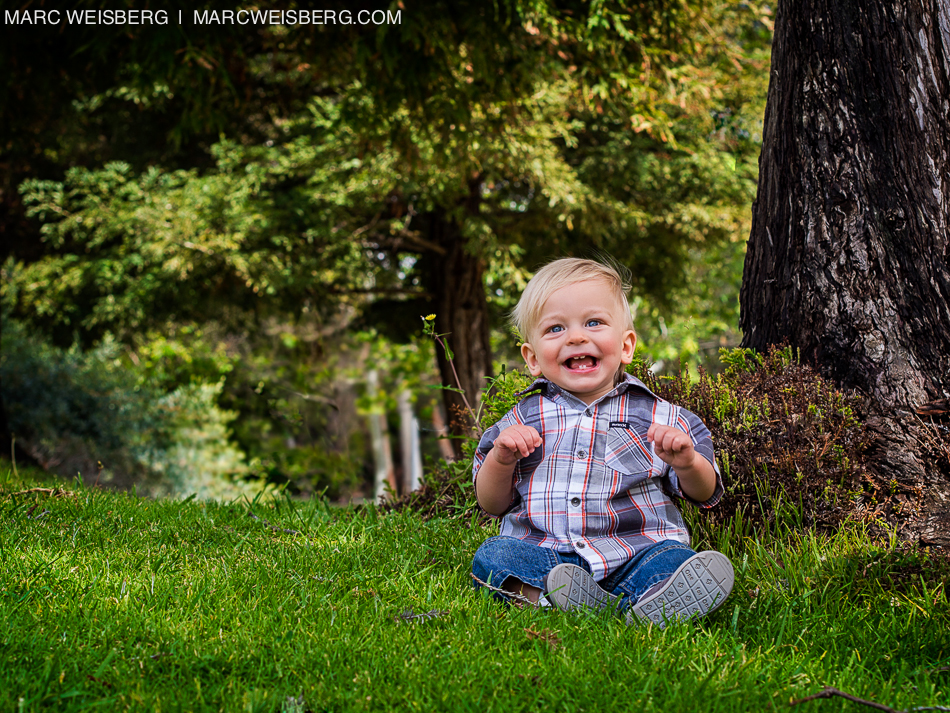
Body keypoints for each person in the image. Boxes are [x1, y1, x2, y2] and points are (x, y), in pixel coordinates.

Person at [471, 257, 734, 627]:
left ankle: (643, 598)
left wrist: (687, 463)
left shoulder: (663, 418)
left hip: (636, 554)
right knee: (494, 556)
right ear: (532, 359)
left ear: (626, 346)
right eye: (555, 328)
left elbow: (704, 493)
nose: (576, 337)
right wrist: (501, 458)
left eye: (594, 323)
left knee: (673, 559)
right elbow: (491, 503)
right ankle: (563, 603)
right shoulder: (518, 421)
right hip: (547, 558)